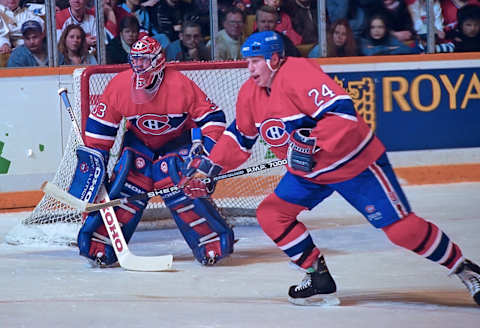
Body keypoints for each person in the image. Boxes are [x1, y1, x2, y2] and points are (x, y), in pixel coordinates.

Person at [178, 30, 480, 307]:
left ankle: (465, 270)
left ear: (274, 58)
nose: (250, 69)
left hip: (353, 163)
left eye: (256, 61)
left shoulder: (298, 73)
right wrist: (210, 169)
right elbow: (240, 138)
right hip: (309, 173)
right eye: (248, 61)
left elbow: (343, 115)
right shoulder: (249, 93)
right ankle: (316, 275)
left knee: (401, 230)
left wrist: (310, 143)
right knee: (272, 215)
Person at [76, 36, 234, 268]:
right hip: (139, 143)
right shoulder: (120, 86)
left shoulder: (180, 84)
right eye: (136, 60)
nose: (139, 66)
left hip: (178, 142)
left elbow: (214, 120)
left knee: (177, 179)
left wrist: (204, 156)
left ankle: (211, 242)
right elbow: (99, 134)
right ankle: (100, 244)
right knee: (128, 178)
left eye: (144, 60)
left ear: (159, 61)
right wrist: (95, 169)